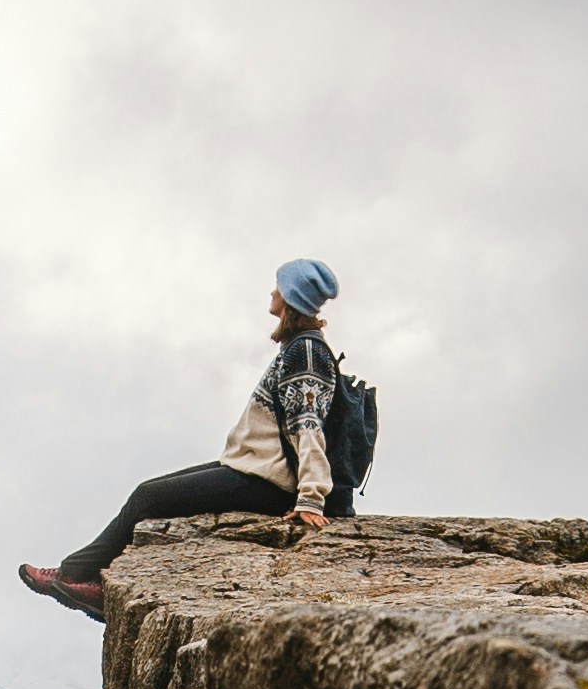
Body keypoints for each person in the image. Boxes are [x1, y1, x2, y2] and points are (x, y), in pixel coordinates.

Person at [22, 263, 352, 615]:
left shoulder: (305, 352)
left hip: (269, 481)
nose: (272, 293)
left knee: (149, 496)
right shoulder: (296, 348)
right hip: (251, 467)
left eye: (278, 287)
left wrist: (311, 499)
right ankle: (91, 581)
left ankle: (77, 576)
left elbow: (308, 422)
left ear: (290, 297)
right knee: (149, 492)